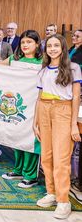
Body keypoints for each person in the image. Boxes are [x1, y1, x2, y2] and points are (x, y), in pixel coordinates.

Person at [34, 34, 81, 219]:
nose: (52, 48)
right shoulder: (43, 70)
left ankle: (63, 201)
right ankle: (51, 192)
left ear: (62, 47)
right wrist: (35, 122)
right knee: (46, 156)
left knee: (61, 159)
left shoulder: (73, 68)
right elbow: (38, 98)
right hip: (44, 110)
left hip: (63, 110)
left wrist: (73, 125)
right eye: (49, 46)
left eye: (56, 45)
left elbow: (76, 97)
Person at [1, 30, 43, 188]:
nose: (25, 45)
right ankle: (18, 169)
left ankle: (31, 175)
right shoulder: (15, 59)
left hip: (35, 105)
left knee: (32, 139)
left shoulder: (43, 61)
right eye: (23, 42)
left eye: (29, 42)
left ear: (37, 44)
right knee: (17, 137)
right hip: (17, 105)